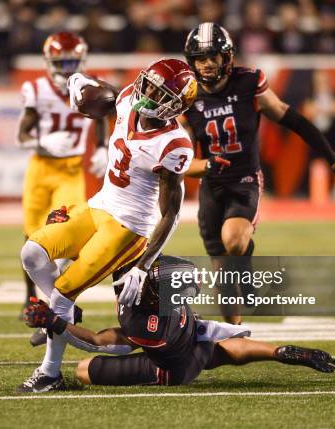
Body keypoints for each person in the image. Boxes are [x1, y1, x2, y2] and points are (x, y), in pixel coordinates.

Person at [17, 58, 198, 392]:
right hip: (99, 204)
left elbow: (171, 213)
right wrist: (78, 82)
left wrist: (143, 266)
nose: (146, 94)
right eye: (147, 84)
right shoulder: (130, 97)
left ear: (174, 106)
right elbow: (100, 94)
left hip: (128, 226)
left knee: (62, 293)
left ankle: (50, 373)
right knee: (32, 254)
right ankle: (65, 313)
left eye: (157, 93)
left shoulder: (174, 143)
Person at [182, 23, 335, 324]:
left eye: (213, 56)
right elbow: (181, 157)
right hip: (211, 183)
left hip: (244, 179)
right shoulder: (187, 95)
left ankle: (246, 267)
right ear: (192, 62)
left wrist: (333, 161)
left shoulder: (249, 83)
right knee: (222, 273)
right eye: (201, 58)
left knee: (234, 242)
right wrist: (205, 166)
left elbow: (295, 121)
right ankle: (233, 334)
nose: (208, 64)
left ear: (227, 58)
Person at [23, 255, 335, 386]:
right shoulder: (161, 294)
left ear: (154, 298)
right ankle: (280, 351)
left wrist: (56, 322)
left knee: (83, 371)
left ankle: (277, 352)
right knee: (221, 347)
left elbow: (98, 340)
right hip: (198, 332)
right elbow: (113, 252)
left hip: (176, 364)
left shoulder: (146, 325)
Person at [17, 31, 109, 312]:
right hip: (41, 168)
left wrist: (103, 147)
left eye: (73, 63)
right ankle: (30, 296)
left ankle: (60, 297)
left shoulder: (91, 86)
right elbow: (22, 136)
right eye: (62, 63)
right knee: (31, 236)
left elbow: (101, 117)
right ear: (49, 61)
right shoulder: (36, 89)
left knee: (63, 230)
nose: (68, 69)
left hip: (70, 169)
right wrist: (42, 142)